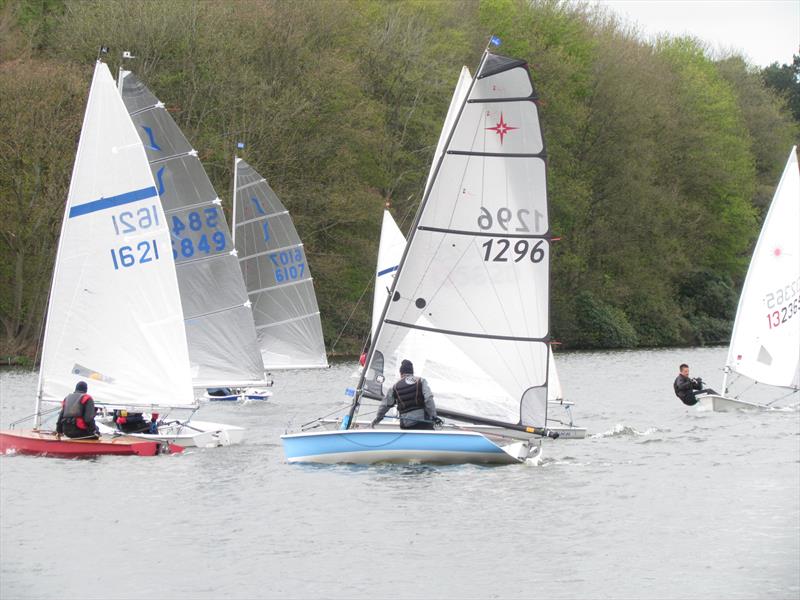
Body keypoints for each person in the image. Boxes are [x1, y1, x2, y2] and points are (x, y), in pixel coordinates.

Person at [371, 359, 439, 429]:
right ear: (412, 372)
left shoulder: (394, 387)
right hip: (424, 423)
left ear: (401, 373)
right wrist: (434, 417)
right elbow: (428, 399)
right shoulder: (421, 381)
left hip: (406, 425)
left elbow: (384, 406)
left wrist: (378, 419)